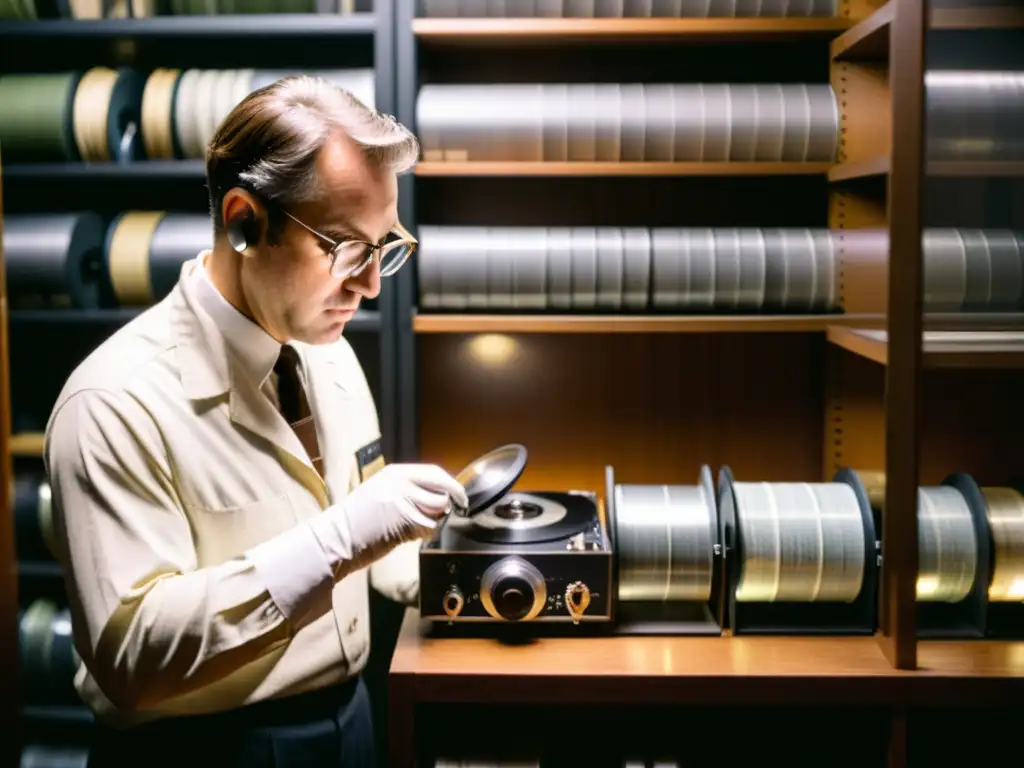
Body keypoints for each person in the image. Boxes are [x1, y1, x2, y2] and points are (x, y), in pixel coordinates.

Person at [43, 75, 467, 768]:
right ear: (244, 221)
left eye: (384, 244)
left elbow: (372, 537)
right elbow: (130, 657)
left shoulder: (325, 352)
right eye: (346, 250)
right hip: (201, 752)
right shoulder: (112, 403)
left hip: (352, 723)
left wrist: (467, 556)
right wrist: (343, 536)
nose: (370, 284)